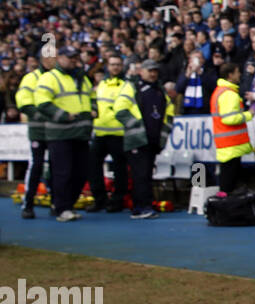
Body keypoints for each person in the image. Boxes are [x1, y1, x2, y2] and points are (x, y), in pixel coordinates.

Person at [35, 45, 95, 222]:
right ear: (59, 58)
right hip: (60, 133)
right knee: (63, 172)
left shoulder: (82, 79)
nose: (74, 61)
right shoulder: (50, 77)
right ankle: (62, 207)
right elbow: (42, 102)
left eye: (75, 57)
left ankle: (66, 204)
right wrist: (64, 116)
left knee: (81, 172)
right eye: (70, 58)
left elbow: (92, 98)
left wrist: (93, 111)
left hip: (81, 132)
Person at [114, 59, 174, 219]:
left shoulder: (160, 90)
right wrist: (136, 127)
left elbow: (170, 112)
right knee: (140, 174)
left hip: (153, 140)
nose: (153, 73)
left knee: (146, 174)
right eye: (149, 70)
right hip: (137, 139)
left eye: (155, 70)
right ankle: (141, 207)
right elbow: (119, 109)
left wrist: (164, 133)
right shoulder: (132, 86)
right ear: (141, 71)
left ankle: (145, 205)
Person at [16, 49, 56, 219]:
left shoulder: (58, 78)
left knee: (57, 167)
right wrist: (43, 115)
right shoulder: (31, 78)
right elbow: (23, 101)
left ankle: (57, 203)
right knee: (36, 165)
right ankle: (28, 203)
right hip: (39, 130)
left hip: (56, 131)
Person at [90, 53, 130, 212]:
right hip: (99, 133)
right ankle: (99, 199)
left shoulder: (126, 85)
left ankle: (117, 200)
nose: (115, 67)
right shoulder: (101, 85)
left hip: (119, 133)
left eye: (118, 64)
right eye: (112, 64)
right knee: (93, 167)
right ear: (108, 66)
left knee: (120, 170)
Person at [210, 59, 252, 195]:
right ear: (230, 75)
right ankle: (227, 210)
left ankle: (226, 209)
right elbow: (229, 118)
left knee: (227, 180)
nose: (239, 75)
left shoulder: (220, 91)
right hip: (232, 144)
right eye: (237, 72)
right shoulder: (229, 94)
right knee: (229, 182)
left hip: (227, 144)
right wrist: (248, 115)